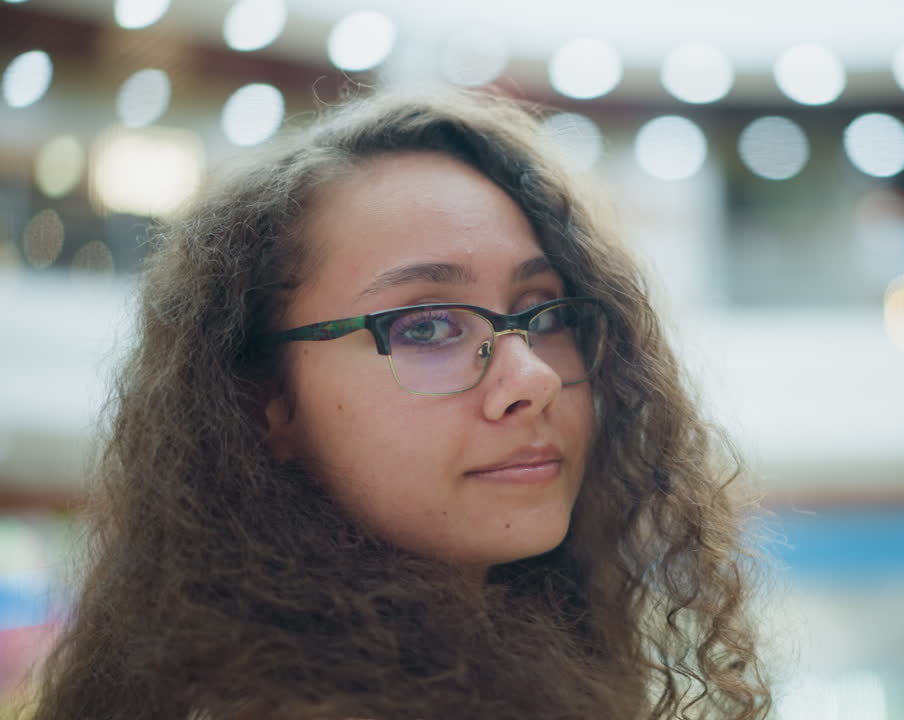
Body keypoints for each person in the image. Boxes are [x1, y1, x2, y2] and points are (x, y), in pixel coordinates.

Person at [30, 91, 772, 719]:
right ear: (264, 403)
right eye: (426, 326)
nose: (533, 378)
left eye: (546, 313)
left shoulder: (537, 665)